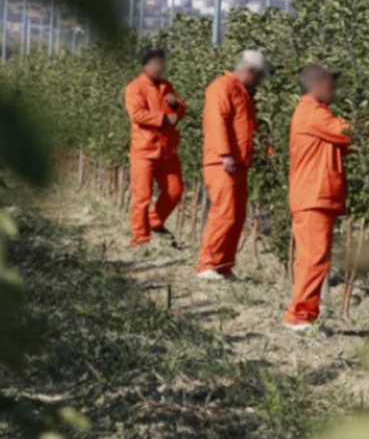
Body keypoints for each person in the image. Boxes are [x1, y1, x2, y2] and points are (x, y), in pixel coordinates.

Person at [284, 65, 350, 332]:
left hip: (316, 195)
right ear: (318, 86)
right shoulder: (313, 114)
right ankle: (299, 317)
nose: (334, 91)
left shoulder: (317, 115)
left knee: (312, 258)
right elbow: (349, 132)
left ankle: (303, 313)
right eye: (330, 85)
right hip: (313, 195)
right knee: (313, 259)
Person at [196, 50, 270, 280]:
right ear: (250, 71)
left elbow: (250, 129)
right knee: (224, 213)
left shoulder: (243, 93)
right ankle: (208, 264)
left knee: (236, 215)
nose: (259, 82)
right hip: (222, 163)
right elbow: (218, 122)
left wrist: (267, 152)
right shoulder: (222, 87)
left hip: (238, 163)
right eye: (258, 77)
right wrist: (225, 153)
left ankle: (224, 266)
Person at [124, 48, 186, 247]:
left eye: (162, 63)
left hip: (167, 150)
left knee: (175, 190)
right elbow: (137, 114)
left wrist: (176, 106)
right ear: (146, 66)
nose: (160, 67)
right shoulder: (135, 88)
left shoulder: (167, 86)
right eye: (156, 63)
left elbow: (180, 109)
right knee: (142, 196)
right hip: (144, 150)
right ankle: (140, 238)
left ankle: (154, 221)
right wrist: (163, 119)